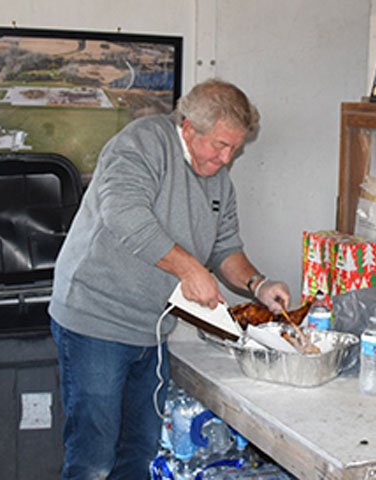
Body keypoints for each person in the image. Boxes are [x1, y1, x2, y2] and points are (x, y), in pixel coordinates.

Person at [48, 79, 289, 479]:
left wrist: (259, 285)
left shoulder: (218, 179)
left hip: (152, 331)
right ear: (189, 127)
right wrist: (189, 269)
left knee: (139, 452)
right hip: (96, 323)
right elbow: (124, 214)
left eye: (235, 149)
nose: (226, 158)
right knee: (94, 460)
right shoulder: (142, 144)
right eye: (220, 146)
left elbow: (226, 247)